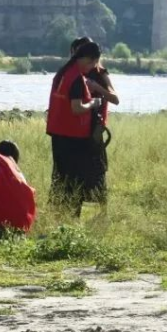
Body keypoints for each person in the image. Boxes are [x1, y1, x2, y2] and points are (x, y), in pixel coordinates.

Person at [47, 41, 107, 215]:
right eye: (93, 64)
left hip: (58, 133)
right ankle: (71, 216)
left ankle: (57, 213)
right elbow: (77, 108)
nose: (93, 68)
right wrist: (93, 103)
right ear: (89, 59)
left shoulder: (63, 72)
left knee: (60, 176)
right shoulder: (77, 79)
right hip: (73, 136)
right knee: (74, 179)